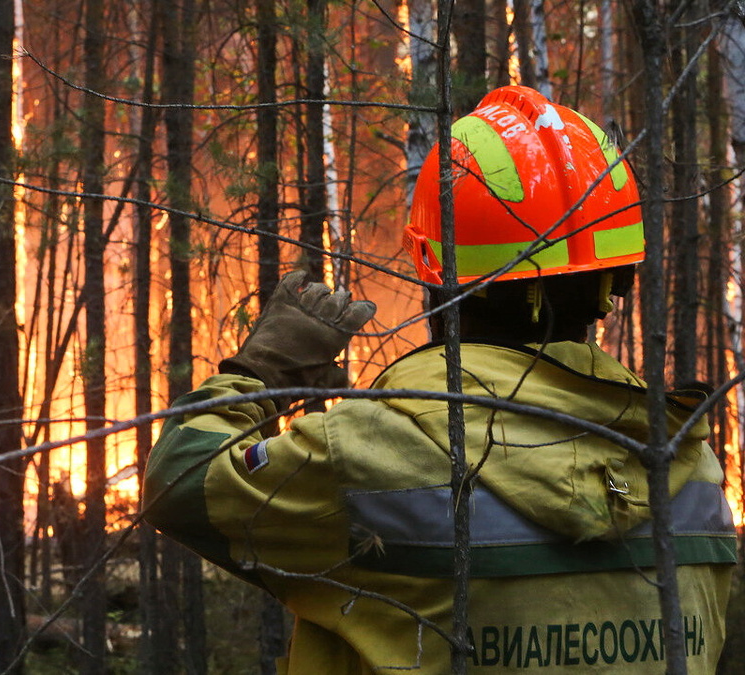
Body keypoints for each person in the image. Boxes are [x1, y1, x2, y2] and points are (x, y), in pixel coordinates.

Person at [142, 86, 736, 673]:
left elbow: (178, 481)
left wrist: (262, 371)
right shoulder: (693, 467)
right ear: (616, 284)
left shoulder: (369, 454)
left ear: (437, 276)